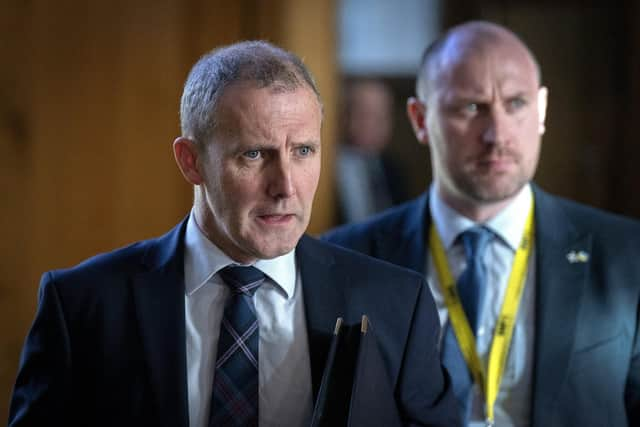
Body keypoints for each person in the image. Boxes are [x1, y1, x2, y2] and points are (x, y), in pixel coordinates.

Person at [8, 41, 459, 427]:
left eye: (303, 151)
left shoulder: (397, 303)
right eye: (254, 154)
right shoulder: (84, 307)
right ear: (192, 161)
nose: (286, 186)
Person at [323, 21, 640, 427]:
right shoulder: (346, 260)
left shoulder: (625, 255)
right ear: (420, 119)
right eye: (471, 107)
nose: (497, 134)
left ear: (541, 110)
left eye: (516, 104)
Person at [335, 78, 407, 223]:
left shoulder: (393, 169)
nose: (375, 125)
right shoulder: (326, 168)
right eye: (366, 114)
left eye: (382, 116)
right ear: (345, 115)